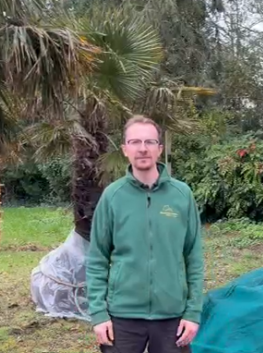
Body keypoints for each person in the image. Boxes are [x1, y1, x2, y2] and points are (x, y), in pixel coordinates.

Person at [85, 115, 204, 353]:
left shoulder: (182, 195)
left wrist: (193, 313)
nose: (142, 148)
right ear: (125, 149)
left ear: (159, 148)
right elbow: (97, 259)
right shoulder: (112, 196)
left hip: (172, 315)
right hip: (122, 316)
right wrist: (98, 314)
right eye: (135, 142)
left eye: (149, 142)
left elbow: (194, 257)